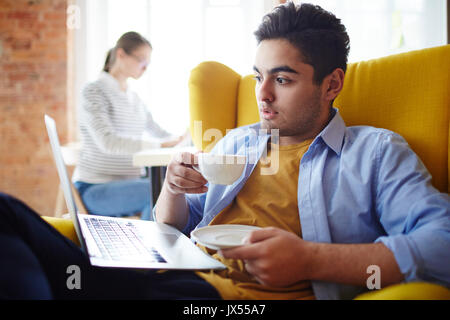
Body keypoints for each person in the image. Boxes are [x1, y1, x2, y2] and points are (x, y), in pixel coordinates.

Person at [0, 2, 448, 300]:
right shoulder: (237, 142)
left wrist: (311, 259)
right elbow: (171, 229)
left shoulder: (374, 153)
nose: (263, 95)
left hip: (221, 301)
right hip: (173, 275)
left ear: (331, 83)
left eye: (283, 79)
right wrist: (174, 189)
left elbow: (441, 243)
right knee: (6, 214)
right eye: (258, 77)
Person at [73, 31, 185, 220]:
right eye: (141, 60)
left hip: (129, 183)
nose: (145, 67)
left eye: (148, 63)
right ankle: (152, 247)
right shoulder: (94, 91)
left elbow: (158, 133)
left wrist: (182, 138)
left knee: (173, 183)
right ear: (121, 54)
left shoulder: (134, 98)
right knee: (160, 191)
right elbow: (107, 142)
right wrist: (160, 145)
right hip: (95, 188)